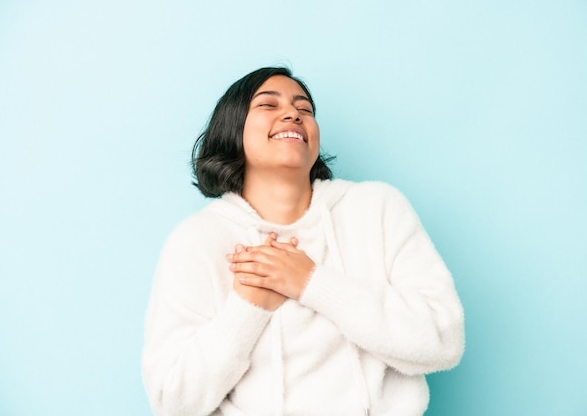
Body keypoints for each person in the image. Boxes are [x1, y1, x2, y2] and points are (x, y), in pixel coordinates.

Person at [142, 67, 464, 416]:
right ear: (232, 131)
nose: (293, 114)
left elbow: (443, 339)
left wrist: (311, 282)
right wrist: (249, 305)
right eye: (267, 104)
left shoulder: (377, 209)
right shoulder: (198, 240)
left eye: (305, 109)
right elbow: (172, 401)